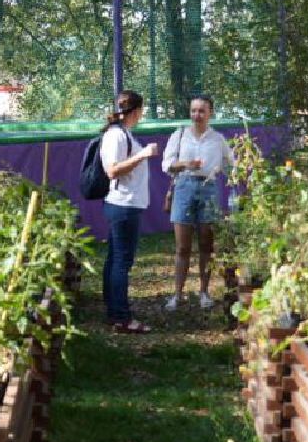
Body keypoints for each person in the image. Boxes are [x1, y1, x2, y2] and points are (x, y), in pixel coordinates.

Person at [162, 94, 236, 311]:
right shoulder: (180, 135)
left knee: (206, 245)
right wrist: (186, 164)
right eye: (193, 110)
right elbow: (166, 165)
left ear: (210, 113)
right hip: (184, 188)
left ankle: (204, 292)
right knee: (182, 247)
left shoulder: (218, 139)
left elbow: (232, 165)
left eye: (202, 111)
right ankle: (177, 295)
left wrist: (245, 167)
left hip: (209, 189)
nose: (197, 115)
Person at [100, 90, 160, 334]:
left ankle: (114, 310)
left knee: (115, 259)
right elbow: (112, 170)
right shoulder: (116, 136)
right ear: (136, 111)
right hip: (123, 205)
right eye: (141, 110)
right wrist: (143, 154)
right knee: (121, 261)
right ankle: (122, 317)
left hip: (126, 204)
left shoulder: (123, 134)